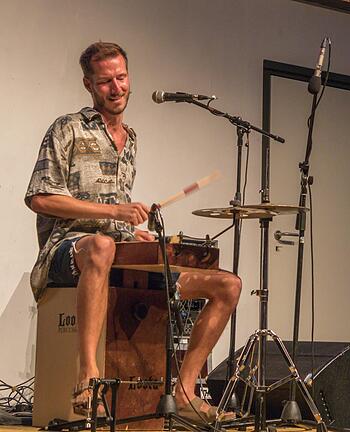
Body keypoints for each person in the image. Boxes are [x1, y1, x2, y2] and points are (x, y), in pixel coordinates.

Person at [25, 42, 240, 424]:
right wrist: (114, 215)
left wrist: (131, 230)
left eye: (121, 78)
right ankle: (87, 377)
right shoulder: (67, 128)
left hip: (111, 249)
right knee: (101, 246)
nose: (116, 87)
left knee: (228, 285)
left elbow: (116, 215)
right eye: (105, 80)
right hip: (67, 251)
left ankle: (186, 391)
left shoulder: (131, 139)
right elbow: (41, 198)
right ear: (89, 84)